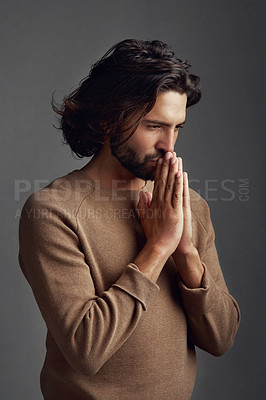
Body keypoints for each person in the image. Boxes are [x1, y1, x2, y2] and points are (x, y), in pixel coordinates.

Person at [18, 39, 240, 400]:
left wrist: (185, 254)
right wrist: (158, 248)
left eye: (177, 127)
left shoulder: (188, 206)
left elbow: (221, 338)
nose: (170, 145)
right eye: (154, 126)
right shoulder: (52, 211)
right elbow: (85, 350)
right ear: (110, 120)